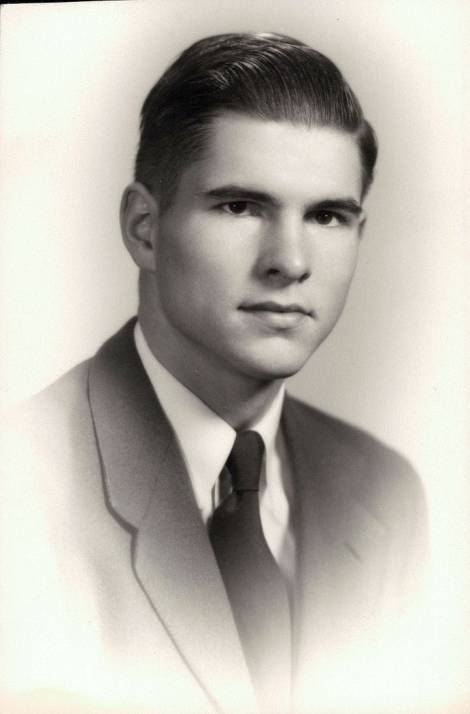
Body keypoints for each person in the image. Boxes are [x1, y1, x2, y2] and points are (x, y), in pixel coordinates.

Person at [1, 32, 426, 714]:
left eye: (326, 216)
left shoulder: (386, 493)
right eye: (240, 206)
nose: (290, 261)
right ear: (144, 227)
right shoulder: (19, 482)